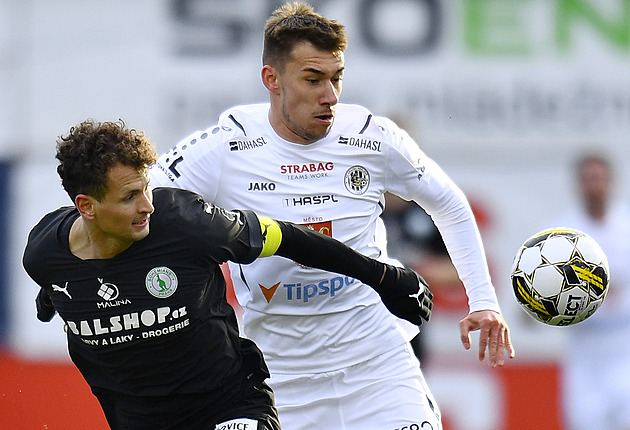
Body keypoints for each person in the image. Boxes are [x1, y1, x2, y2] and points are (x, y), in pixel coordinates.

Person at [150, 2, 515, 429]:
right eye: (313, 79)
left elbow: (449, 203)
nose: (331, 96)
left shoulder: (370, 136)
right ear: (272, 79)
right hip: (280, 381)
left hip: (378, 369)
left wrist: (484, 301)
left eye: (336, 77)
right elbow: (141, 203)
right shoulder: (225, 148)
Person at [22, 119, 434, 430]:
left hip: (229, 407)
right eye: (130, 197)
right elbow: (58, 276)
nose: (147, 205)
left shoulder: (186, 223)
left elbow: (288, 237)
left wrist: (382, 277)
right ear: (87, 206)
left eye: (146, 188)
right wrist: (54, 296)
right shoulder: (43, 254)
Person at [556, 153, 630, 430]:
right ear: (577, 184)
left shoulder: (627, 225)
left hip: (626, 346)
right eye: (588, 179)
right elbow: (531, 298)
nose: (594, 185)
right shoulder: (560, 237)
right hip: (585, 350)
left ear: (612, 182)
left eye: (599, 178)